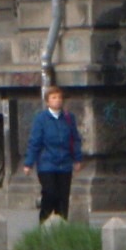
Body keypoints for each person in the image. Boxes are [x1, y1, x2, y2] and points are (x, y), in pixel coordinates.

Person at [22, 85, 82, 221]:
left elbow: (75, 139)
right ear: (48, 101)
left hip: (65, 164)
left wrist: (77, 159)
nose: (58, 100)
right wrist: (28, 163)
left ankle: (61, 225)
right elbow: (35, 142)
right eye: (54, 98)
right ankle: (45, 223)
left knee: (63, 197)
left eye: (60, 97)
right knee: (50, 193)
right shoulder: (41, 119)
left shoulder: (68, 118)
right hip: (47, 164)